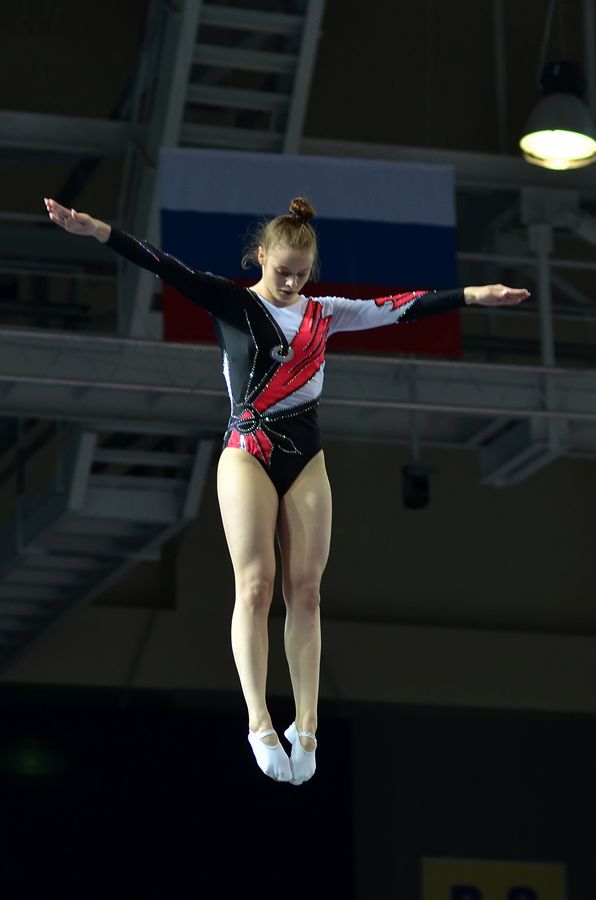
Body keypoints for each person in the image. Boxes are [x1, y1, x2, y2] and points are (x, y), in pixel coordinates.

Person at [43, 194, 529, 785]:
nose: (292, 283)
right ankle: (258, 721)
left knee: (307, 591)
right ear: (260, 257)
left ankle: (307, 725)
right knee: (256, 585)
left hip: (306, 456)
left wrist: (474, 295)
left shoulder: (325, 313)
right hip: (246, 451)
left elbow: (400, 307)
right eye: (282, 272)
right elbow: (161, 264)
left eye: (302, 274)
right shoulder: (230, 300)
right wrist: (98, 230)